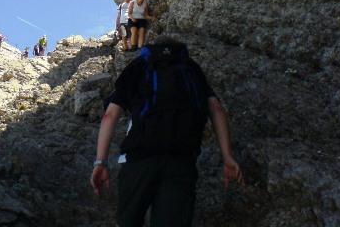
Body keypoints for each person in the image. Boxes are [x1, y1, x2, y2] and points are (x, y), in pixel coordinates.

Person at [90, 36, 244, 227]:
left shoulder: (140, 66)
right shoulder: (190, 69)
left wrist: (100, 162)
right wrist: (227, 157)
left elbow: (110, 116)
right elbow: (217, 110)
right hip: (182, 161)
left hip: (140, 159)